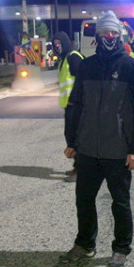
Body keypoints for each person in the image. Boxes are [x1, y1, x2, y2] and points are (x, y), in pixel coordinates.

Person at [60, 10, 134, 267]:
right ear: (97, 35)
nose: (109, 36)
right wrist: (72, 141)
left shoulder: (132, 67)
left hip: (118, 150)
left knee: (120, 202)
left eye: (113, 32)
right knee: (84, 200)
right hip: (88, 149)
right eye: (104, 32)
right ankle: (85, 244)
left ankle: (121, 248)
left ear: (119, 35)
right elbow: (75, 105)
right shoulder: (87, 66)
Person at [53, 31, 85, 183]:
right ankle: (77, 166)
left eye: (59, 43)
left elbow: (81, 80)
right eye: (55, 44)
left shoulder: (73, 57)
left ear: (65, 42)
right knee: (70, 136)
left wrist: (73, 99)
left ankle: (80, 170)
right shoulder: (63, 59)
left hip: (77, 105)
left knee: (76, 137)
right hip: (69, 105)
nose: (57, 46)